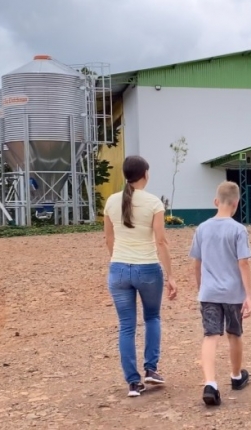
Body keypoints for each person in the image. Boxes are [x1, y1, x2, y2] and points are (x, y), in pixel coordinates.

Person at [103, 155, 178, 398]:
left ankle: (133, 383)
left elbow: (109, 239)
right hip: (147, 268)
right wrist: (170, 276)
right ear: (145, 173)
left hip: (119, 269)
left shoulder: (111, 202)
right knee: (152, 317)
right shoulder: (154, 203)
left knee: (126, 326)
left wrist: (119, 259)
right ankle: (151, 368)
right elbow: (161, 241)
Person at [189, 181, 251, 407]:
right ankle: (236, 376)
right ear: (236, 204)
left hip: (209, 292)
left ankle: (210, 384)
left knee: (210, 336)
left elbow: (196, 264)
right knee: (234, 333)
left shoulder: (202, 228)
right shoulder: (238, 229)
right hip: (233, 294)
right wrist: (249, 295)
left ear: (216, 202)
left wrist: (201, 287)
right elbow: (243, 263)